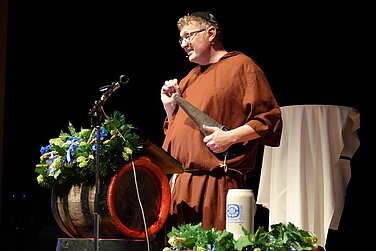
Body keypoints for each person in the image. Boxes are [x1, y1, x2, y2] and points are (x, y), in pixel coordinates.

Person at [160, 11, 283, 232]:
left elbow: (269, 119)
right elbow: (176, 135)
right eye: (181, 39)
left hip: (215, 184)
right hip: (180, 187)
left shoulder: (241, 66)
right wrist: (170, 109)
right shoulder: (189, 78)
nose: (183, 44)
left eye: (188, 36)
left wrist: (229, 137)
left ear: (211, 33)